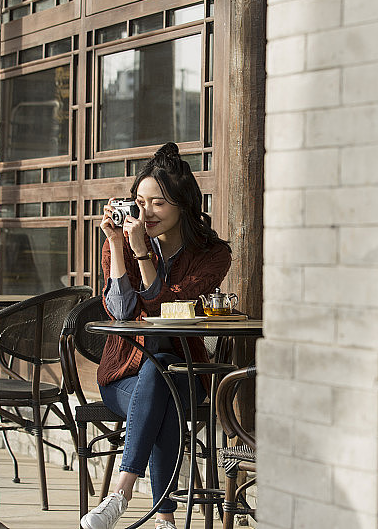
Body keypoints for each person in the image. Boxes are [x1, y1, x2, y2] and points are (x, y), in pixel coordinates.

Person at [80, 142, 232, 529]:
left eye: (158, 203)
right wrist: (118, 245)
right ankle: (163, 520)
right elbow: (124, 311)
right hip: (123, 375)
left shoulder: (213, 254)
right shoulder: (121, 244)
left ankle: (122, 494)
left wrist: (143, 253)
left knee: (163, 371)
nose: (145, 213)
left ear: (183, 205)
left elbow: (166, 306)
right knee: (159, 376)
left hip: (188, 374)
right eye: (139, 201)